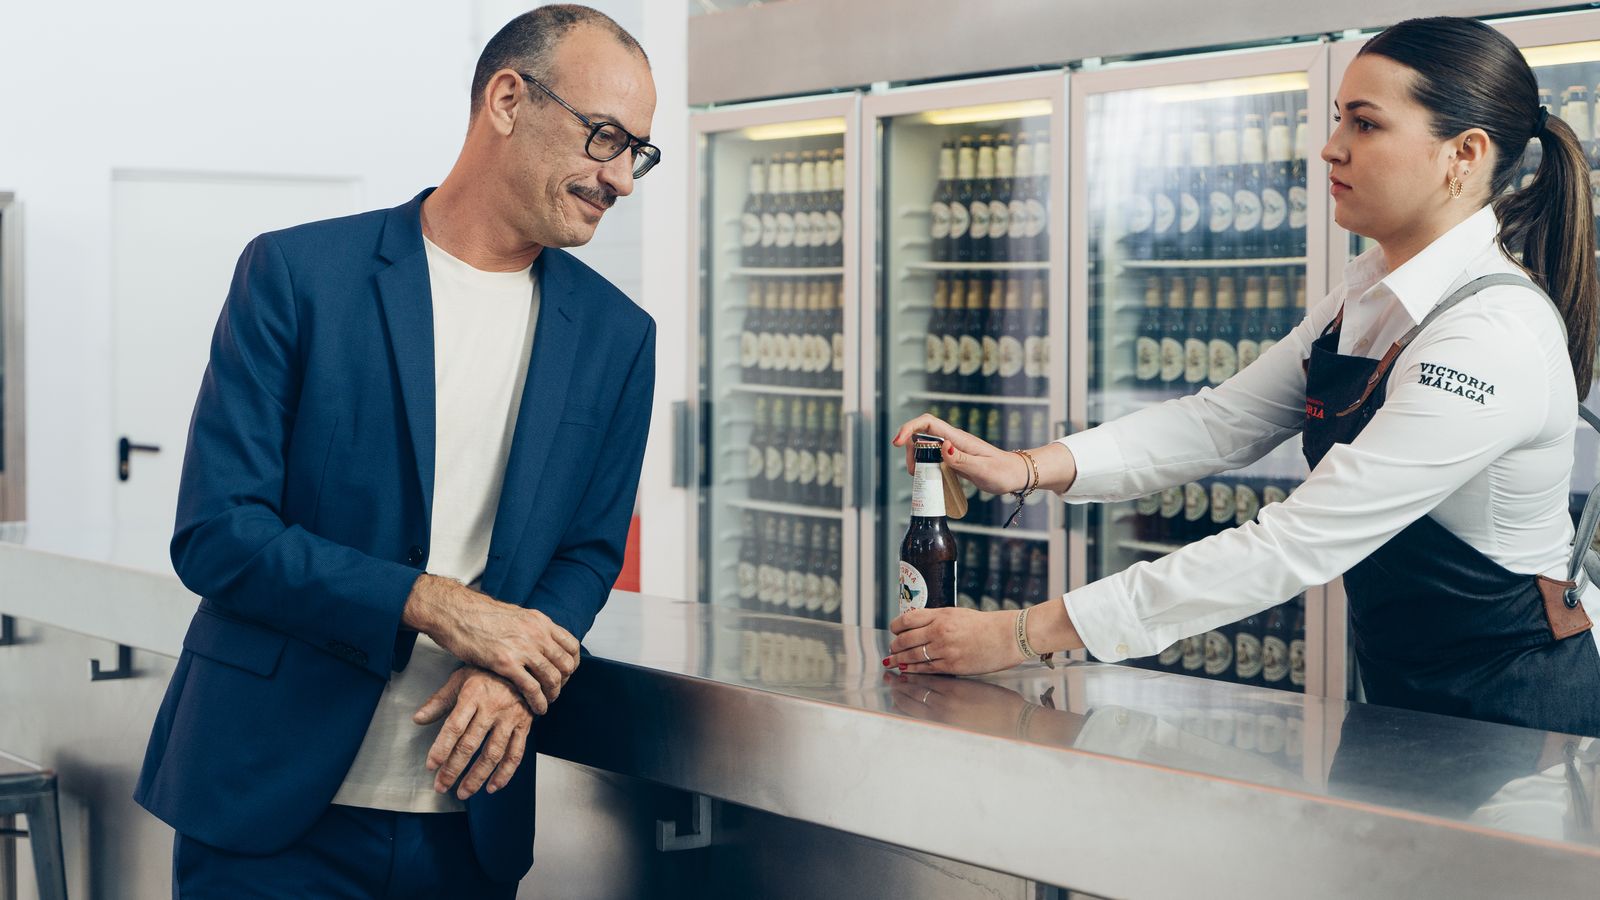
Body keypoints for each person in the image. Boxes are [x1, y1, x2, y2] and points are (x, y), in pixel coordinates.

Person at [885, 16, 1600, 738]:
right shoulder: (1368, 294)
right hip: (1399, 686)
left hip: (1523, 708)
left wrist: (1023, 633)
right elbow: (1220, 421)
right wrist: (1024, 467)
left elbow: (1293, 542)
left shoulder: (1490, 334)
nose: (1331, 147)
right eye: (1336, 119)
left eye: (1366, 124)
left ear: (1464, 154)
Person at [133, 6, 659, 895]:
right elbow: (219, 532)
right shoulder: (298, 277)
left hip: (469, 825)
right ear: (505, 100)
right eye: (604, 138)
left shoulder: (619, 336)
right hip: (267, 810)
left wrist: (517, 672)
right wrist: (437, 605)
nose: (622, 180)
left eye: (637, 152)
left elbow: (586, 551)